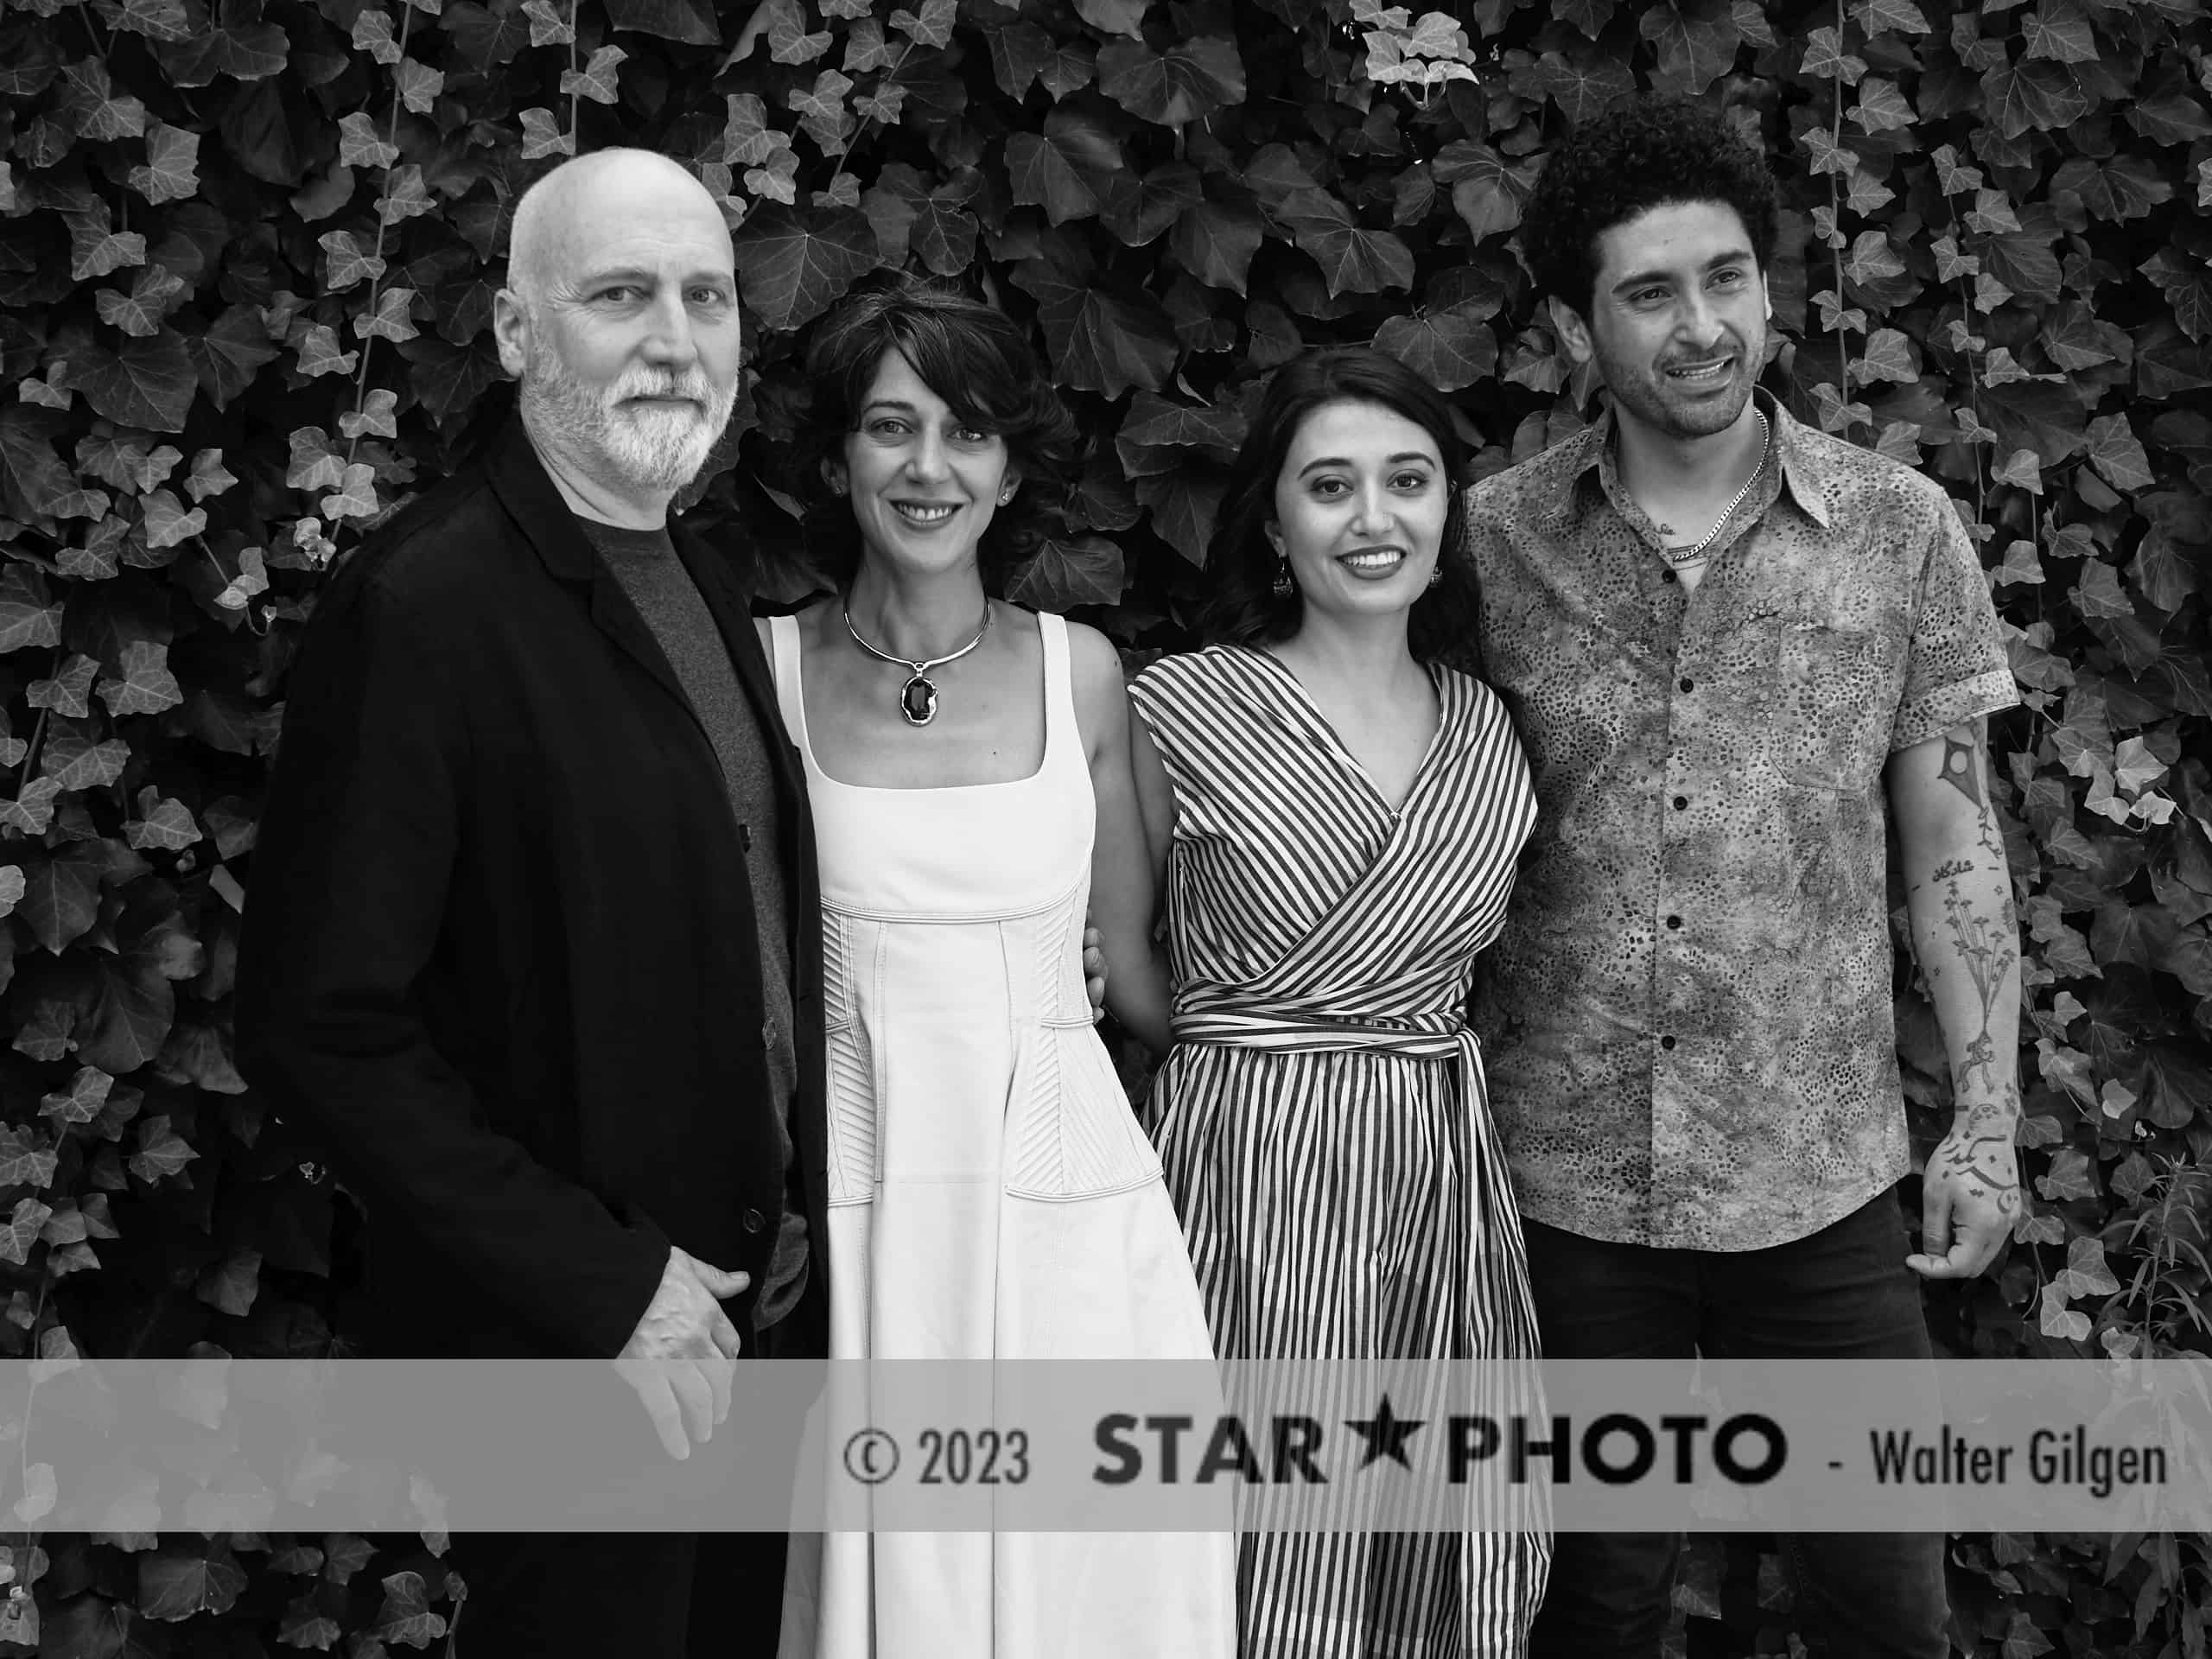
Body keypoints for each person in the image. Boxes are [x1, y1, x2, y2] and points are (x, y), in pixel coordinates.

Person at [237, 149, 823, 1657]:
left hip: (751, 1328)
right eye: (621, 294)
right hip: (580, 1356)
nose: (675, 337)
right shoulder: (424, 605)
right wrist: (610, 1285)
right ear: (515, 333)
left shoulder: (693, 566)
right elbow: (322, 1027)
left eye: (705, 295)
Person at [1465, 95, 2023, 1659]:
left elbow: (1954, 850)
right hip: (1562, 1195)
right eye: (1650, 293)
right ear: (1577, 323)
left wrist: (1984, 1124)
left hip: (1820, 1184)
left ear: (1772, 293)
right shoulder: (1491, 546)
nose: (1700, 327)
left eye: (1726, 280)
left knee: (1883, 1610)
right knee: (1584, 1611)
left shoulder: (1902, 534)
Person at [763, 273, 1233, 1659]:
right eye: (891, 428)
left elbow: (1138, 978)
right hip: (861, 1212)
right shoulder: (759, 676)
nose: (929, 468)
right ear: (838, 455)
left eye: (967, 432)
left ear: (1011, 463)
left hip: (1069, 1223)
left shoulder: (1086, 674)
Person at [1122, 346, 1551, 1657]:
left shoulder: (1489, 726)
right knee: (1236, 1533)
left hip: (1434, 1177)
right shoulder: (1176, 708)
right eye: (1331, 486)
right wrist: (1257, 1064)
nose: (1374, 520)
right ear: (1274, 521)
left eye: (1408, 482)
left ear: (1446, 513)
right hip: (1240, 1174)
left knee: (1425, 1536)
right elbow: (1133, 975)